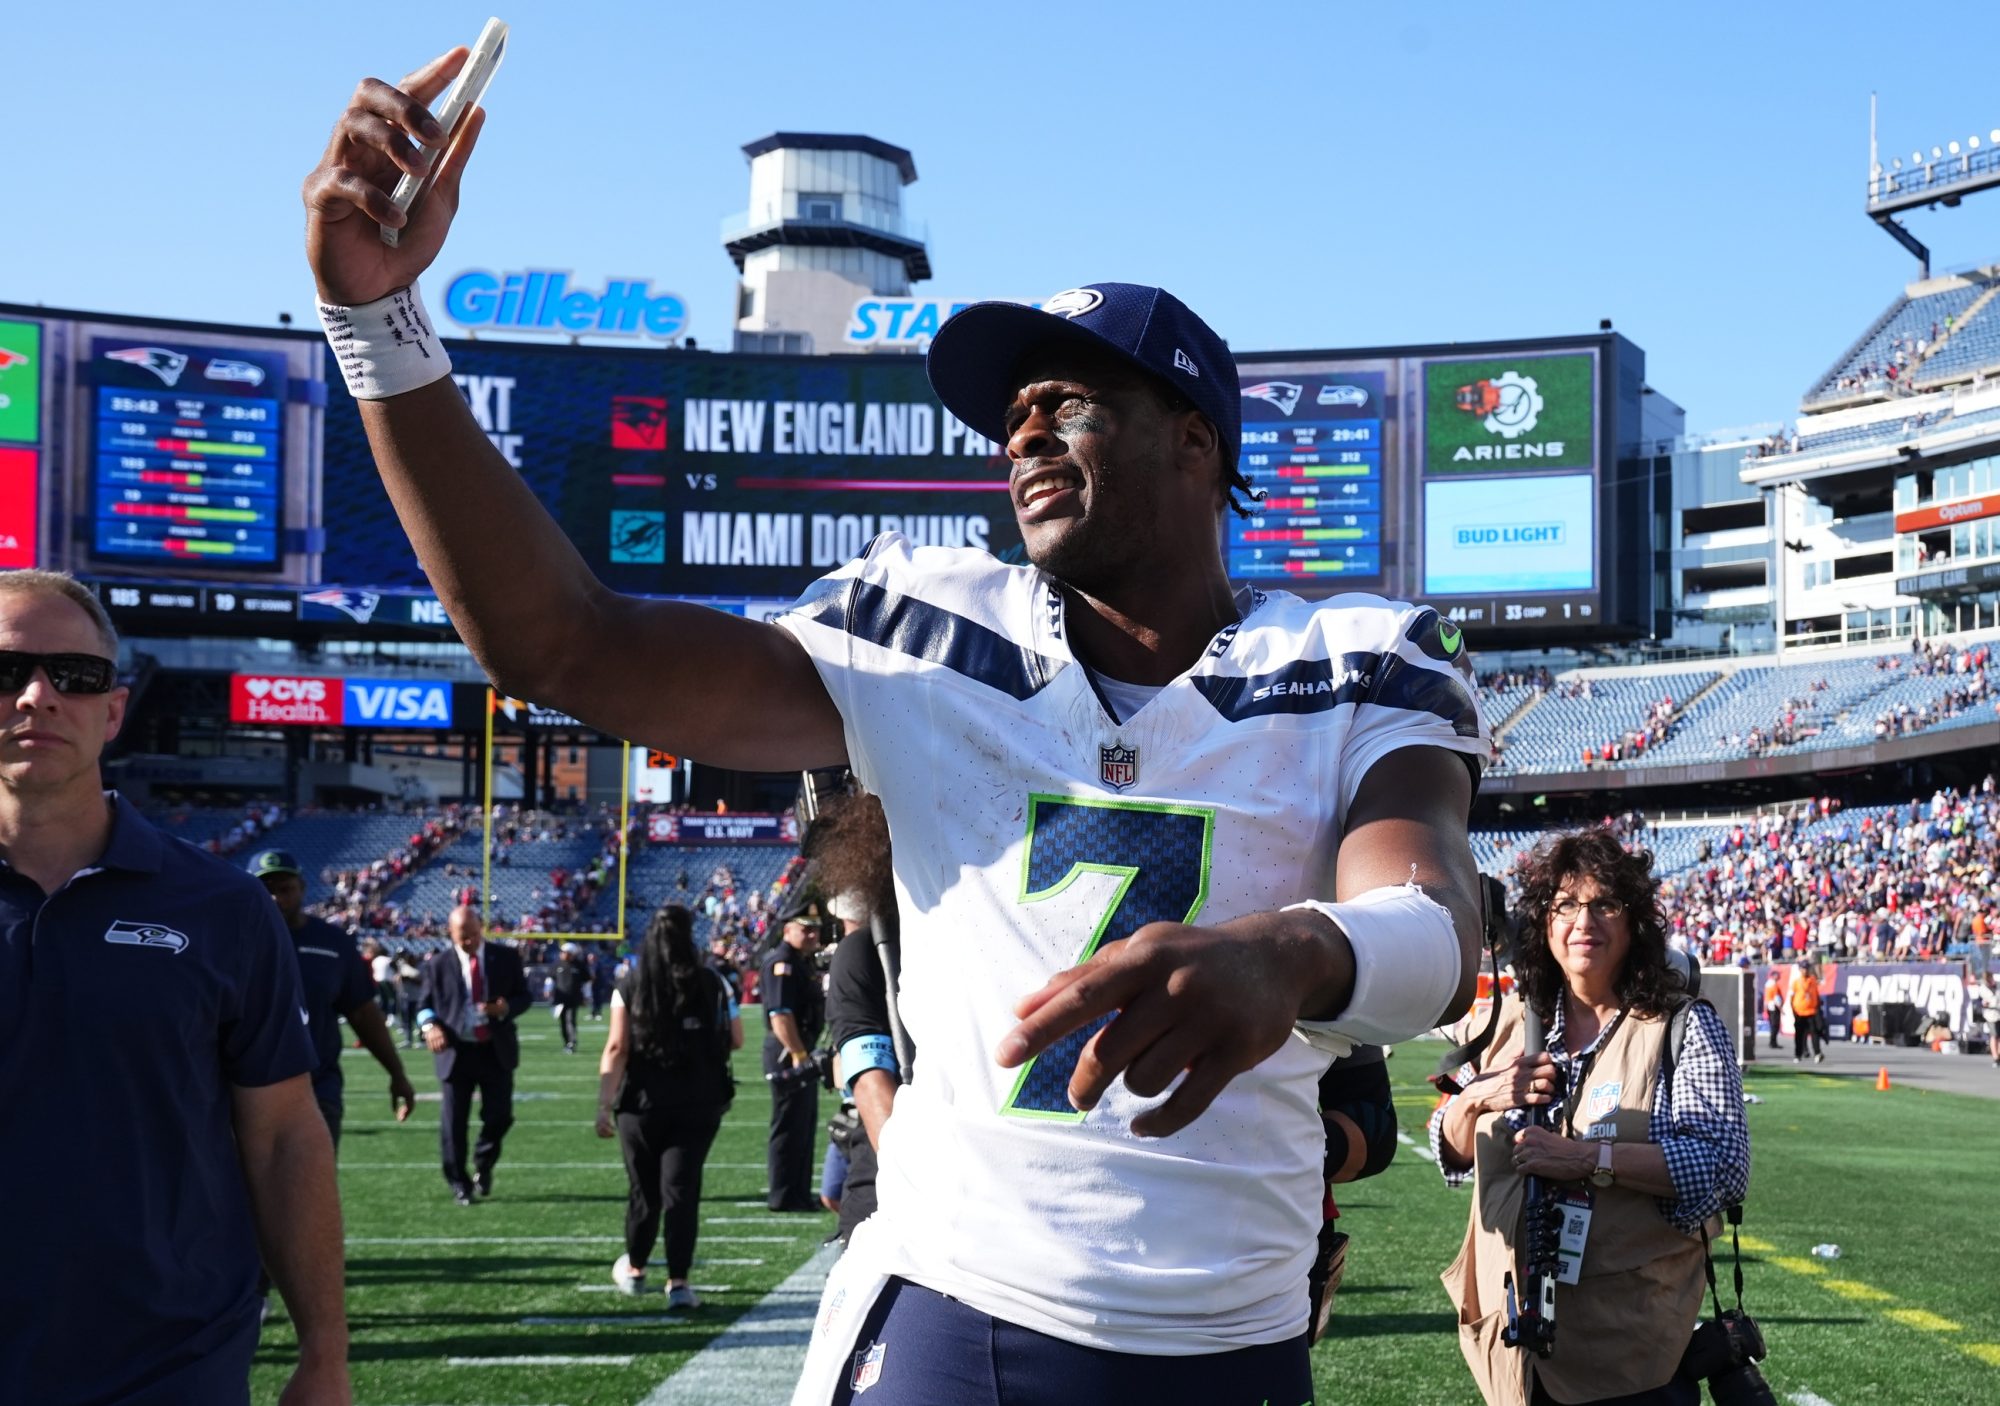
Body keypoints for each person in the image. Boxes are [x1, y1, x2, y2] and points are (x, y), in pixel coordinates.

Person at [304, 67, 1487, 1404]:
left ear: (1197, 441)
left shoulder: (1354, 658)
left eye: (1072, 399)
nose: (1025, 428)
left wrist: (1297, 948)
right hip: (960, 1317)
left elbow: (1437, 923)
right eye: (1013, 412)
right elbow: (567, 644)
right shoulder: (922, 626)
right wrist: (376, 326)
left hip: (1230, 1343)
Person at [0, 570, 349, 1404]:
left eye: (74, 677)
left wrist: (325, 1356)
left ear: (113, 710)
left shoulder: (222, 906)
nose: (37, 696)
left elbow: (282, 1137)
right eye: (7, 670)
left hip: (168, 1356)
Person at [1431, 829, 1751, 1406]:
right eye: (1567, 905)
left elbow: (1723, 1166)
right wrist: (1476, 1098)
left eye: (1606, 904)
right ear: (1544, 923)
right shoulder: (1506, 1027)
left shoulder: (1679, 1025)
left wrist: (1585, 1159)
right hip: (1511, 1353)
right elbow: (1449, 1152)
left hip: (1630, 1355)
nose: (1585, 921)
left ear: (1634, 924)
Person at [596, 904, 742, 1306]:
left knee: (644, 1191)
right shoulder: (713, 982)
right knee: (681, 1190)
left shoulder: (630, 984)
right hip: (699, 1102)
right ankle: (678, 1283)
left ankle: (636, 1267)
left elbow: (616, 1047)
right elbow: (736, 1038)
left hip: (641, 1105)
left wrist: (603, 1105)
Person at [249, 848, 416, 1146]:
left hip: (316, 1086)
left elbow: (363, 1013)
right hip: (244, 1088)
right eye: (265, 889)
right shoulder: (229, 942)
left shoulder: (332, 943)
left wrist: (397, 1073)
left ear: (302, 888)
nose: (276, 898)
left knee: (311, 1188)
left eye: (285, 888)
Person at [417, 905, 532, 1204]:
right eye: (461, 936)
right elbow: (423, 1006)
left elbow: (524, 996)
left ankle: (484, 1161)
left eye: (472, 933)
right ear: (450, 934)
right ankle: (459, 1182)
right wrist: (430, 1026)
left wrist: (505, 1007)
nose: (468, 941)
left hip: (495, 1050)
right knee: (453, 1122)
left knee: (500, 1116)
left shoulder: (505, 958)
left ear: (481, 927)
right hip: (456, 1050)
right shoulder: (438, 964)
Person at [761, 912, 827, 1213]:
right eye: (806, 929)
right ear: (788, 930)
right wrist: (799, 1055)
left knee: (803, 1123)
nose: (813, 934)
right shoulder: (782, 963)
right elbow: (780, 1016)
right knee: (789, 1125)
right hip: (789, 1052)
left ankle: (799, 1192)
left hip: (801, 1048)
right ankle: (784, 1194)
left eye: (816, 930)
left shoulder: (800, 961)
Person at [550, 940, 588, 1052]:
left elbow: (587, 981)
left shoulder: (579, 965)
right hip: (560, 998)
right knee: (562, 1022)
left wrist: (586, 995)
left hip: (574, 997)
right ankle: (566, 1043)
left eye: (565, 952)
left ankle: (572, 1043)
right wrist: (547, 990)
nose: (562, 954)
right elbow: (550, 979)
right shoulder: (557, 964)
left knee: (570, 1020)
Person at [1790, 961, 1825, 1063]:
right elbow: (1792, 997)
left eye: (1807, 968)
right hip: (1800, 1012)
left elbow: (1816, 995)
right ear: (1800, 970)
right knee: (1799, 1035)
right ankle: (1798, 1054)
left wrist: (1818, 1008)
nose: (1805, 970)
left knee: (1815, 1033)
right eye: (1803, 968)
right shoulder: (1796, 982)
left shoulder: (1812, 980)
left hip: (1811, 1011)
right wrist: (1794, 1010)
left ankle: (1817, 1053)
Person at [1762, 966, 1784, 1052]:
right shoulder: (1773, 984)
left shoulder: (1768, 984)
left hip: (1769, 1006)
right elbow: (1776, 998)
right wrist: (1781, 1008)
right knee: (1775, 1025)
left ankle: (1773, 1041)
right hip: (1774, 1007)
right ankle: (1773, 1042)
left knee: (1773, 1025)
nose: (1779, 976)